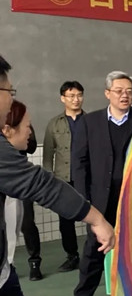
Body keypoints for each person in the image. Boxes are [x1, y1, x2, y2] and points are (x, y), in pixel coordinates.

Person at [0, 56, 114, 296]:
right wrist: (96, 218)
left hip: (3, 271)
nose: (11, 97)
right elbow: (42, 183)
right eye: (9, 90)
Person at [67, 71, 132, 296]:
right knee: (94, 251)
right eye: (119, 91)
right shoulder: (90, 122)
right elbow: (79, 162)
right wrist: (84, 197)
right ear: (107, 93)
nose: (124, 95)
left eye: (129, 91)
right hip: (100, 199)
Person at [43, 81, 86, 272]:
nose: (76, 99)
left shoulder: (91, 121)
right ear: (63, 98)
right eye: (71, 96)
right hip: (63, 179)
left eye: (79, 95)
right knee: (65, 221)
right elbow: (48, 155)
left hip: (87, 177)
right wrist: (49, 180)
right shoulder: (54, 124)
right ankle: (72, 256)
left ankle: (98, 254)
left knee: (95, 215)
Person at [4, 126, 41, 281]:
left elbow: (32, 147)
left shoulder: (19, 120)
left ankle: (34, 263)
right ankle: (7, 265)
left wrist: (19, 134)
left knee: (27, 223)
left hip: (21, 178)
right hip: (2, 178)